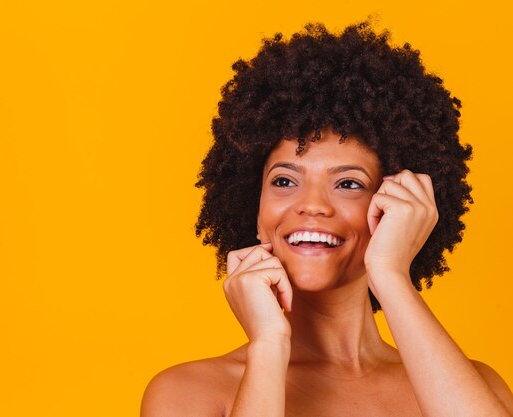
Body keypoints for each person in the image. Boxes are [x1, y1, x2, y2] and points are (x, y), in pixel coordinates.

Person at [141, 21, 513, 416]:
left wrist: (390, 274)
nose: (312, 205)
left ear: (391, 207)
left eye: (349, 184)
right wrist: (268, 346)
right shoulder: (189, 393)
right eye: (284, 180)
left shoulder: (476, 387)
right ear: (255, 206)